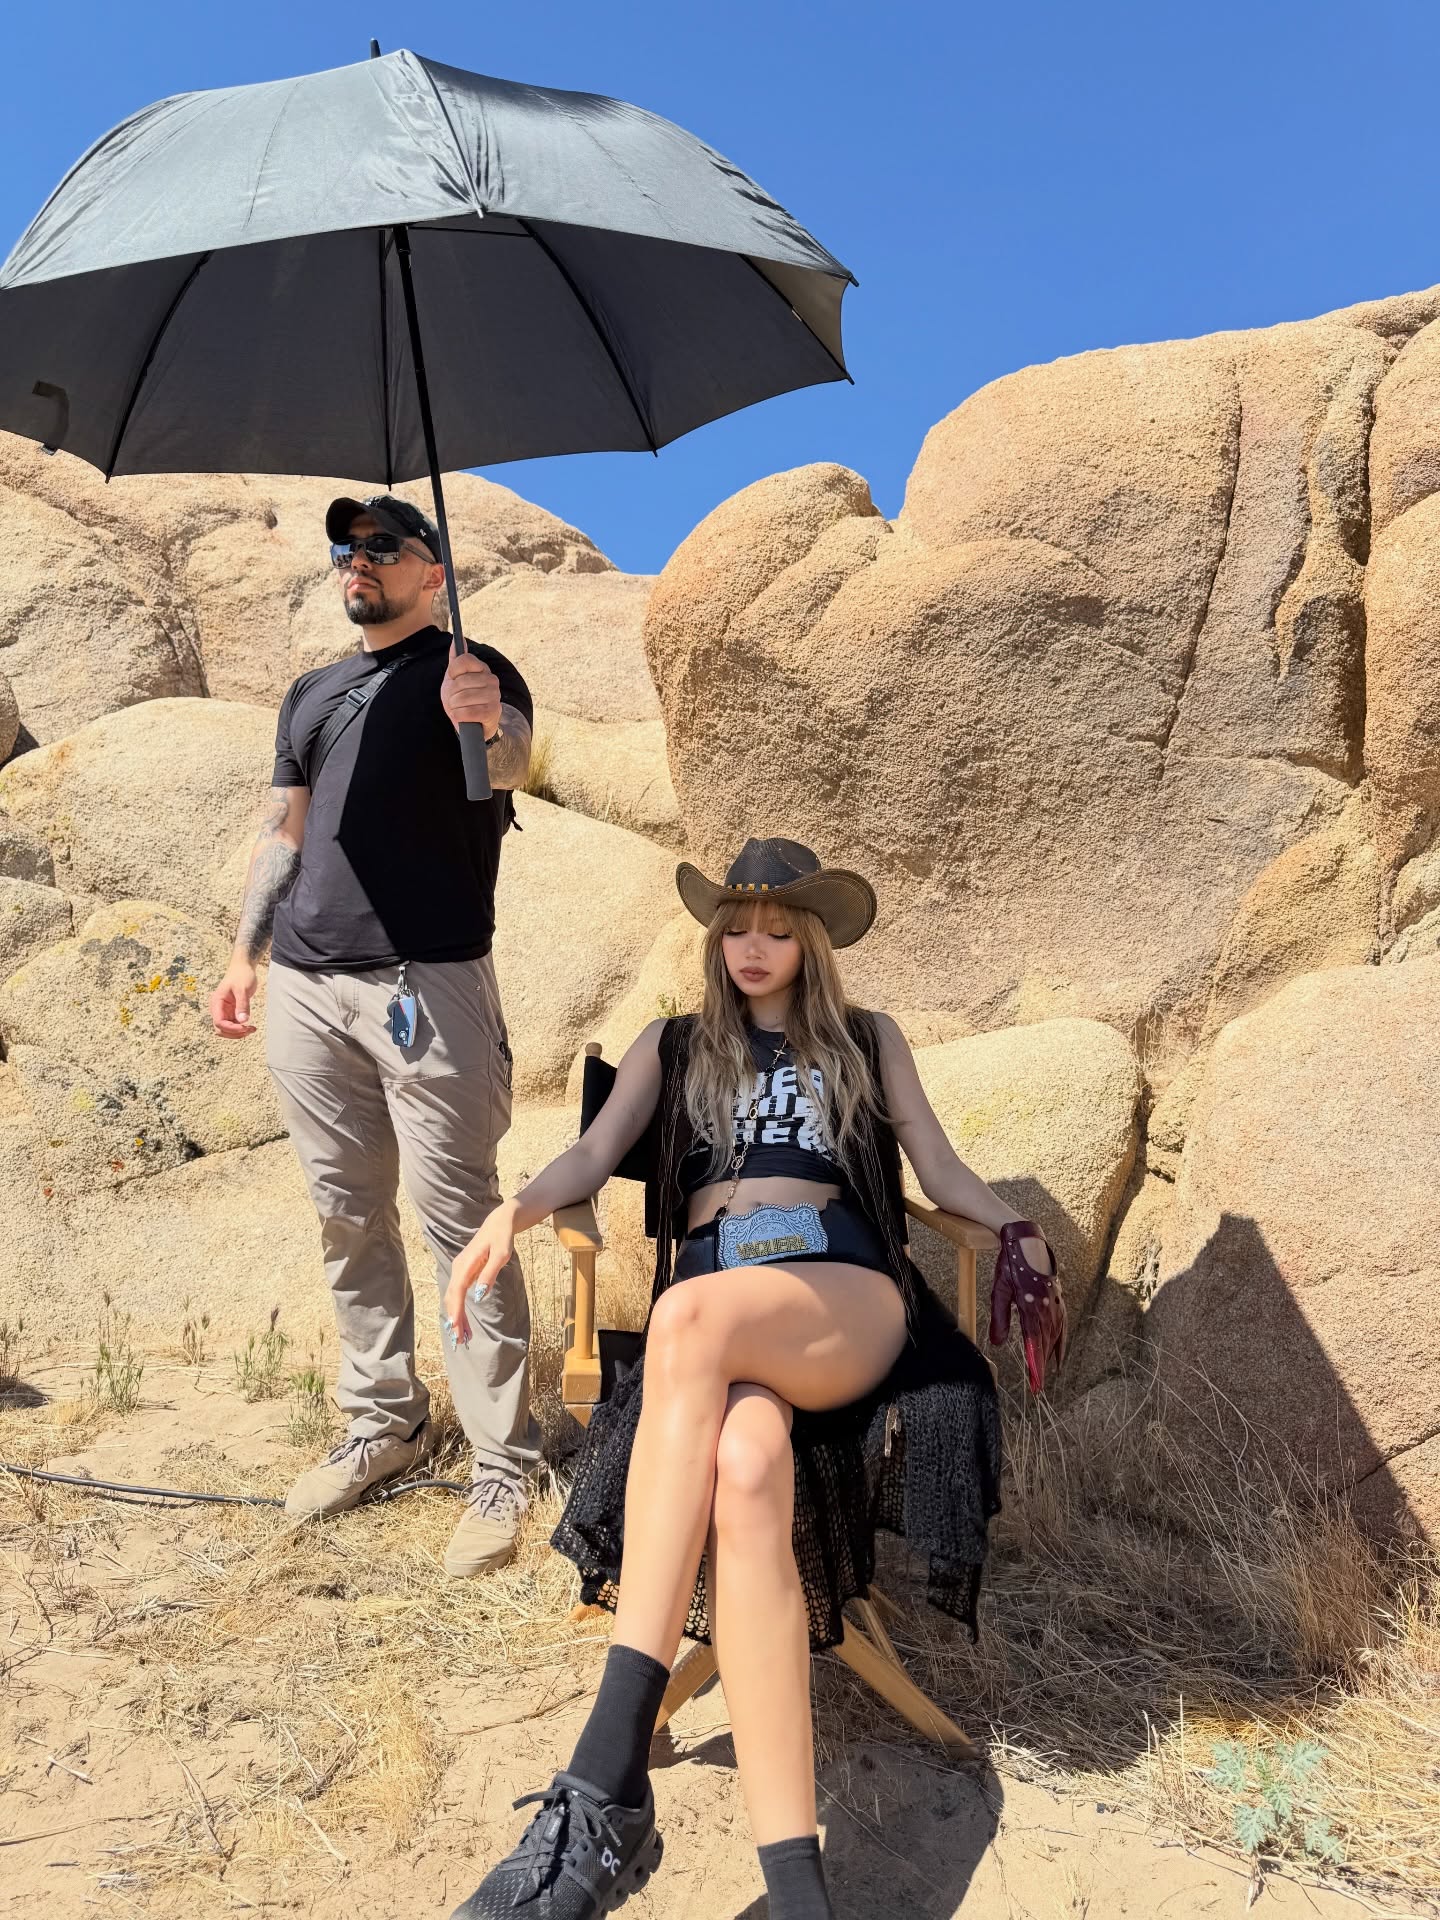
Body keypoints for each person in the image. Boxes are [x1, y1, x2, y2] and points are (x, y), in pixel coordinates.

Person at [441, 837, 1067, 1919]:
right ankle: (798, 1891)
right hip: (720, 1316)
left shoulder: (866, 1039)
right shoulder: (675, 1044)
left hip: (839, 1293)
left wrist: (1013, 1224)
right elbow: (591, 1157)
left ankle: (604, 1776)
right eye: (737, 927)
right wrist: (514, 1211)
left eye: (779, 928)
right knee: (745, 1461)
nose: (755, 946)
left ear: (813, 941)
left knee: (685, 1316)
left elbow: (936, 1165)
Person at [208, 492, 542, 1576]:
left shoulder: (475, 669)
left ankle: (503, 1460)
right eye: (349, 547)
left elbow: (511, 765)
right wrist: (246, 955)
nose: (360, 559)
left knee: (462, 1223)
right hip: (307, 985)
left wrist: (480, 718)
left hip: (427, 981)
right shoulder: (311, 693)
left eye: (384, 545)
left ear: (432, 572)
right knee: (346, 1214)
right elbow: (285, 832)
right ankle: (384, 1421)